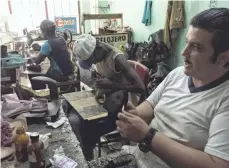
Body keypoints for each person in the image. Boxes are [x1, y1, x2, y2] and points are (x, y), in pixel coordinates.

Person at [116, 8, 229, 168]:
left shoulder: (224, 98)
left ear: (223, 58)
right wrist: (135, 115)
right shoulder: (178, 74)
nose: (184, 53)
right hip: (137, 160)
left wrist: (147, 136)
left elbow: (217, 164)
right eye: (186, 43)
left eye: (196, 47)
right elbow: (151, 105)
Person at [72, 34, 145, 101]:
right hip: (111, 98)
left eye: (92, 60)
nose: (93, 63)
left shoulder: (117, 59)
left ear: (97, 50)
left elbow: (140, 88)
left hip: (125, 102)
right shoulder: (98, 54)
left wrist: (111, 85)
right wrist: (98, 75)